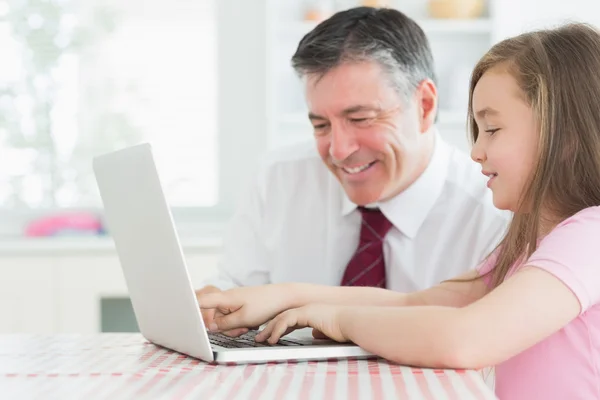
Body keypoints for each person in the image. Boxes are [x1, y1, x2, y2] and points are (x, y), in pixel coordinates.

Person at [198, 22, 600, 399]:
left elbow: (466, 338)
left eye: (491, 130)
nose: (477, 151)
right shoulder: (533, 240)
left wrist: (340, 321)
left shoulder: (590, 237)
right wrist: (286, 297)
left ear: (563, 135)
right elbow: (417, 304)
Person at [196, 7, 508, 336]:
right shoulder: (279, 180)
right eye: (320, 125)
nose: (339, 150)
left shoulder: (495, 215)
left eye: (360, 119)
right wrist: (214, 311)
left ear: (425, 105)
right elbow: (234, 289)